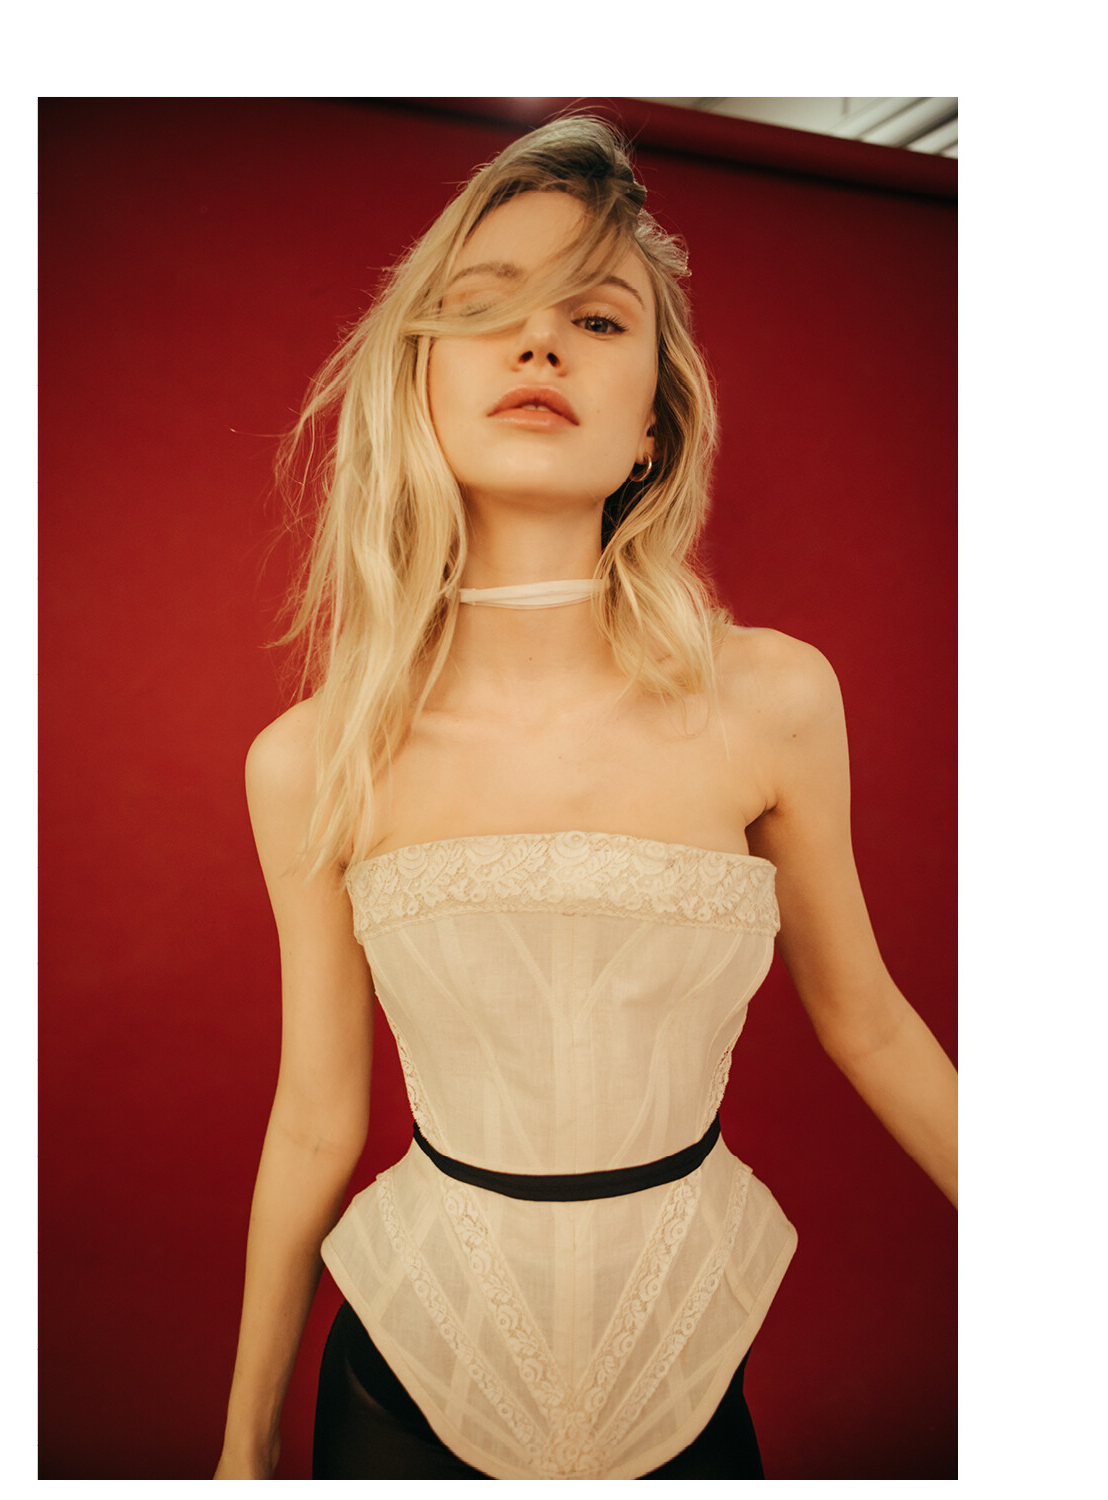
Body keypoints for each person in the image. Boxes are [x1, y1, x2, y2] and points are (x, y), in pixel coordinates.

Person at [213, 116, 957, 1481]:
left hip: (686, 1389)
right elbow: (317, 1114)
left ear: (654, 422)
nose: (541, 343)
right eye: (488, 308)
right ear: (420, 383)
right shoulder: (311, 760)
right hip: (400, 1391)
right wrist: (241, 1444)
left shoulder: (775, 699)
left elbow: (872, 1026)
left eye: (597, 319)